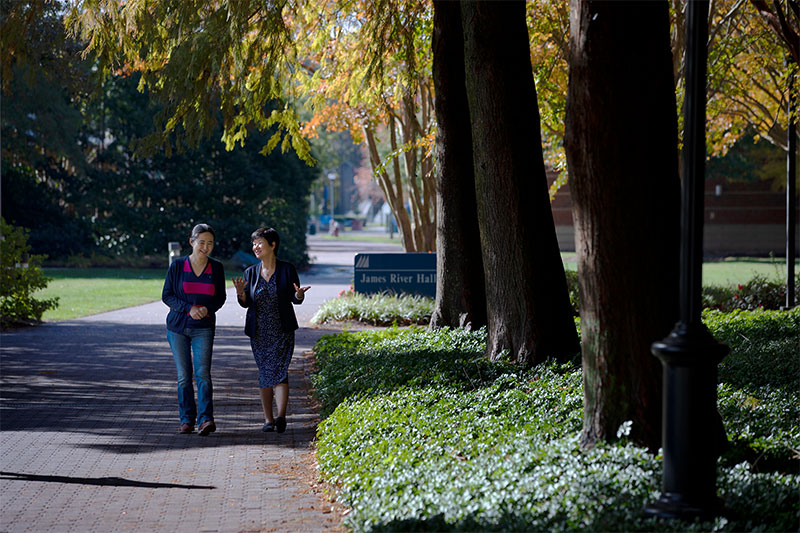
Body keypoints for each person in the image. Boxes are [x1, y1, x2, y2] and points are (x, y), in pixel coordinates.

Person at [232, 227, 310, 433]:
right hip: (259, 332)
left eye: (260, 243)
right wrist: (241, 294)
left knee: (280, 371)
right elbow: (246, 303)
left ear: (272, 245)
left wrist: (300, 295)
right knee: (265, 372)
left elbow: (295, 299)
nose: (256, 247)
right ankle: (268, 420)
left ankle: (281, 416)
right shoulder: (250, 272)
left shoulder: (287, 269)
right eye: (254, 244)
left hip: (282, 329)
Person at [162, 223, 226, 436]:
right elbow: (167, 295)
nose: (205, 247)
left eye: (210, 243)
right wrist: (188, 309)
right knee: (183, 376)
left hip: (203, 328)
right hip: (177, 328)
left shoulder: (216, 268)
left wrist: (206, 308)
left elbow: (220, 298)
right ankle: (186, 420)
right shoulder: (177, 266)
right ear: (191, 242)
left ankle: (206, 419)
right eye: (201, 243)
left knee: (203, 375)